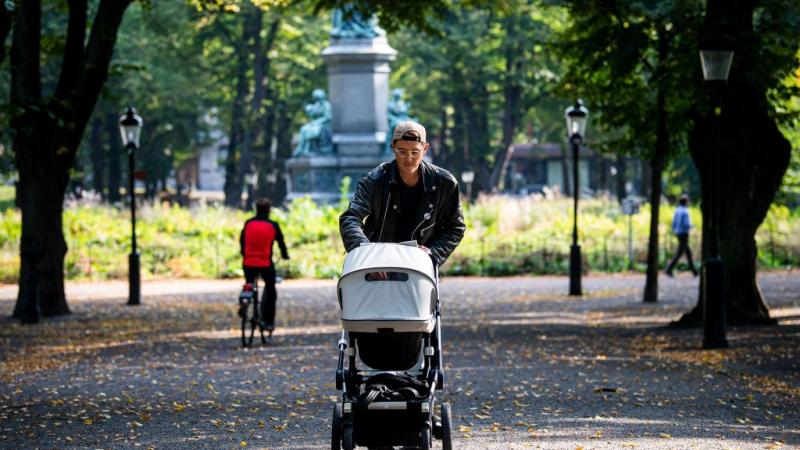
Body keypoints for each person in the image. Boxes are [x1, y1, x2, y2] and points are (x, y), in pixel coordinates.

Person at [340, 120, 465, 267]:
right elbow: (350, 218)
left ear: (425, 149)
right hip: (377, 261)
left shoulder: (445, 183)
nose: (409, 158)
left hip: (419, 264)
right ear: (393, 147)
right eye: (402, 151)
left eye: (415, 152)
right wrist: (367, 254)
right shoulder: (374, 181)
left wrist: (433, 253)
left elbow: (455, 227)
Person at [240, 198, 290, 332]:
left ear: (256, 209)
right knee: (270, 287)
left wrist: (244, 253)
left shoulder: (248, 223)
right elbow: (281, 242)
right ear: (269, 210)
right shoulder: (273, 225)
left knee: (249, 282)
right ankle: (268, 321)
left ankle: (244, 301)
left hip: (248, 262)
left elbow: (242, 241)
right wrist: (285, 255)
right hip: (265, 263)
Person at [666, 194, 698, 277]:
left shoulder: (677, 210)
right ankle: (669, 269)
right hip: (684, 233)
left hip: (678, 233)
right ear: (686, 202)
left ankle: (694, 271)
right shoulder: (685, 211)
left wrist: (675, 230)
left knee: (687, 252)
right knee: (680, 253)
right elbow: (686, 224)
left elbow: (674, 223)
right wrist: (692, 226)